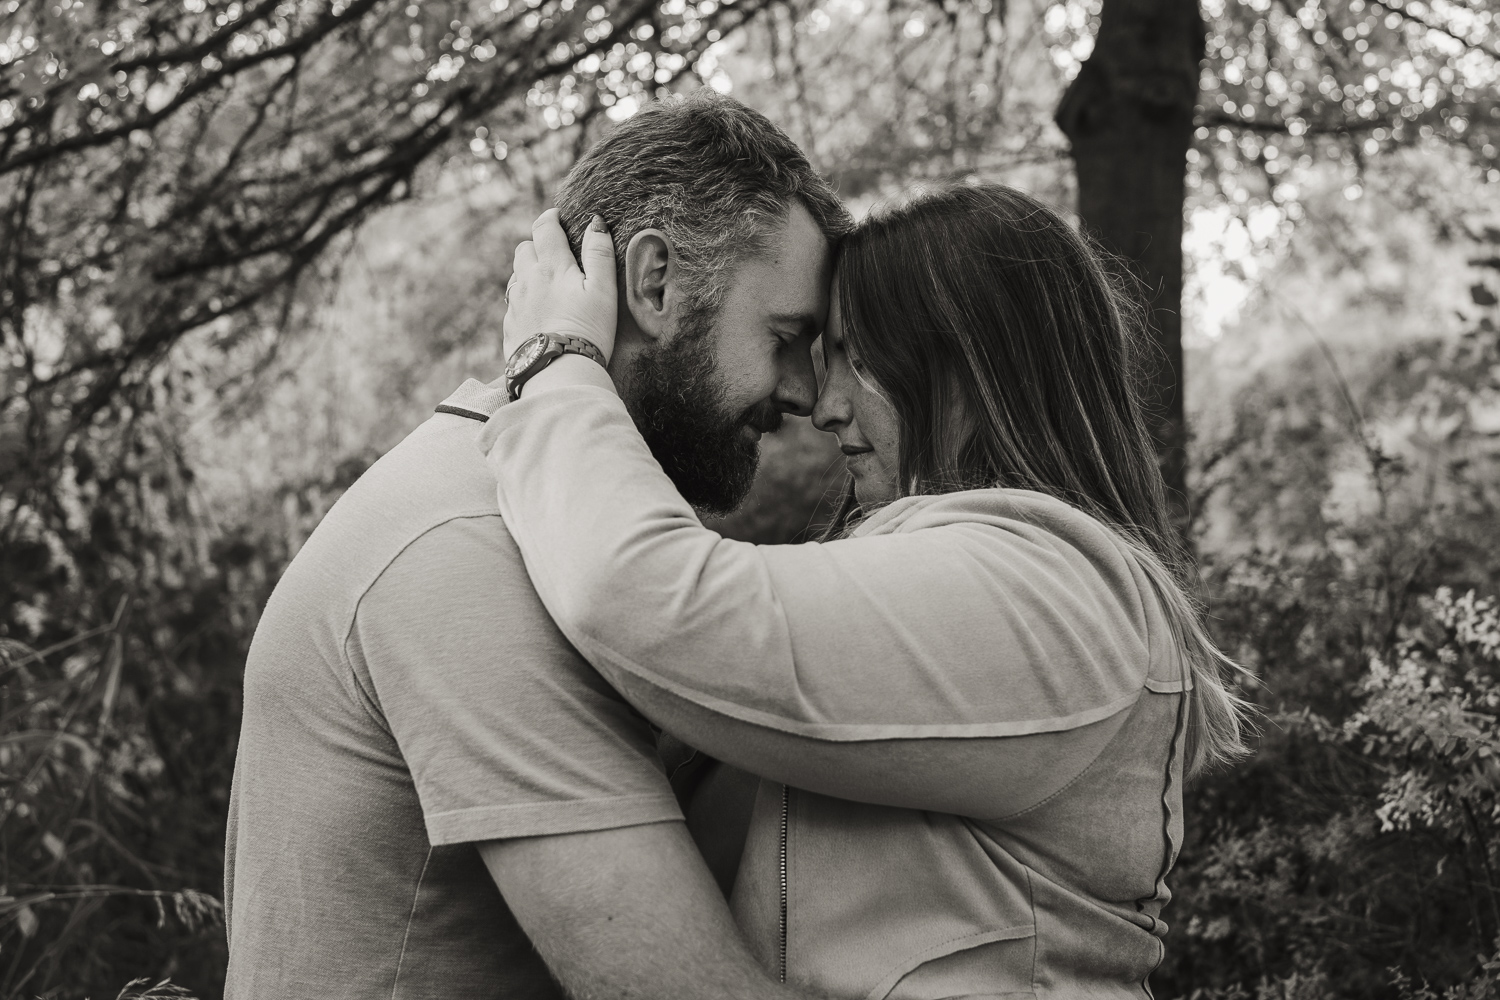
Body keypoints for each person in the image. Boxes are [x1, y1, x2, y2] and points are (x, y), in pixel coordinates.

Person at [482, 183, 1255, 999]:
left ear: (968, 363)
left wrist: (556, 363)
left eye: (855, 354)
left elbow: (641, 594)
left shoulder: (1050, 588)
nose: (825, 404)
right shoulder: (993, 572)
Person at [223, 91, 851, 999]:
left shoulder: (547, 518)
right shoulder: (465, 549)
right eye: (785, 337)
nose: (802, 393)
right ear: (656, 284)